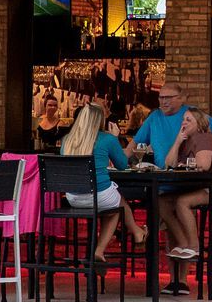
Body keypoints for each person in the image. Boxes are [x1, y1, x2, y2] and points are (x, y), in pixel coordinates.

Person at [57, 102, 148, 265]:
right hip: (99, 195)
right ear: (100, 120)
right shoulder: (106, 139)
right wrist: (114, 138)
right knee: (116, 207)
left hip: (73, 197)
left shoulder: (67, 140)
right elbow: (122, 165)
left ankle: (136, 232)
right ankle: (101, 249)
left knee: (114, 201)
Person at [163, 104, 212, 263]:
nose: (184, 123)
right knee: (162, 201)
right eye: (183, 120)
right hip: (203, 189)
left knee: (182, 202)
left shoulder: (204, 137)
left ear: (199, 124)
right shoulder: (186, 141)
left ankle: (194, 247)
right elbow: (169, 164)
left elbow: (203, 165)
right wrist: (177, 141)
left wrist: (185, 164)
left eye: (188, 120)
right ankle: (183, 242)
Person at [135, 80, 212, 167]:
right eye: (161, 97)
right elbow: (133, 147)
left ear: (180, 99)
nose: (164, 101)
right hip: (159, 176)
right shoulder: (155, 117)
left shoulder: (191, 114)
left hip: (184, 176)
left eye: (168, 97)